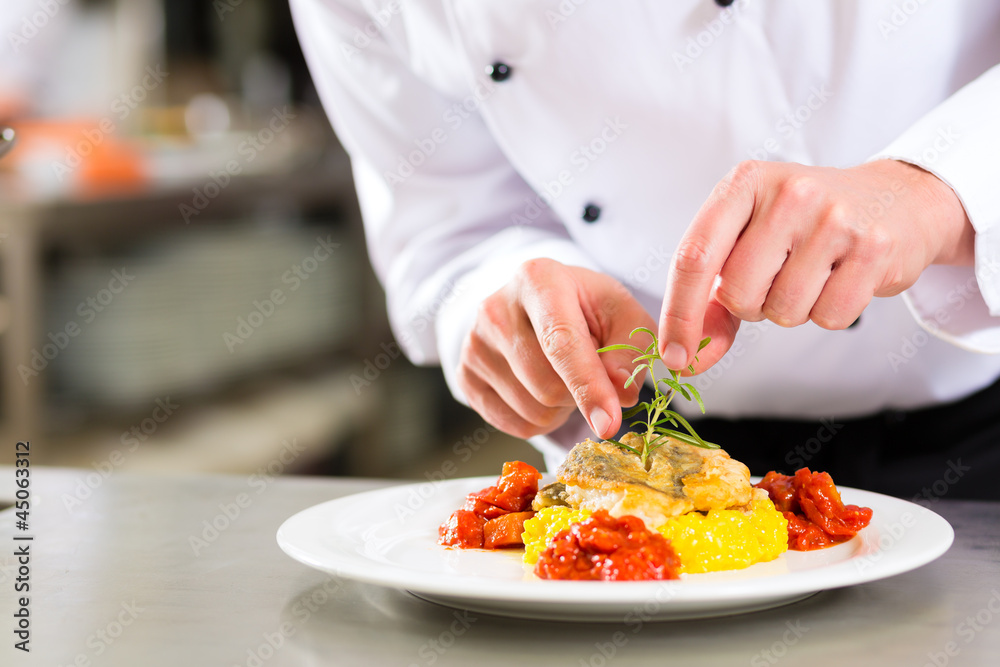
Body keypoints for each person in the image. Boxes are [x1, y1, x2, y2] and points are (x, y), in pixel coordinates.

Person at [292, 0, 1000, 499]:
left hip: (978, 421)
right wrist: (498, 294)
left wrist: (946, 186)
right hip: (646, 461)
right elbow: (448, 221)